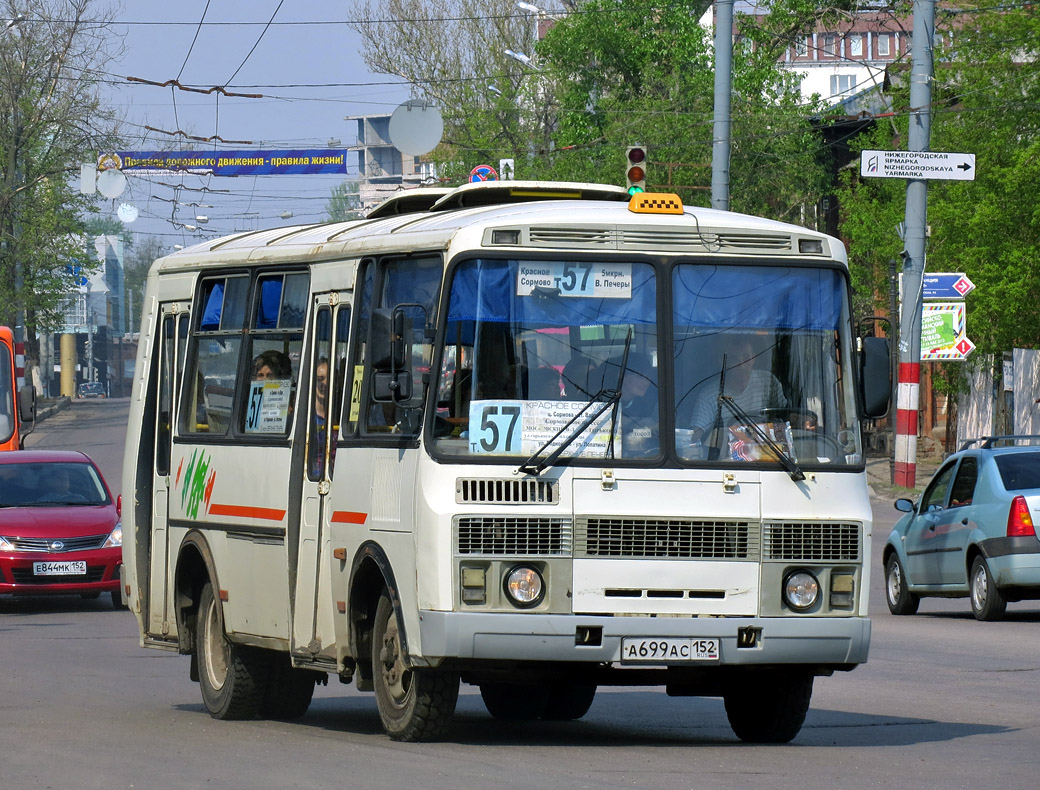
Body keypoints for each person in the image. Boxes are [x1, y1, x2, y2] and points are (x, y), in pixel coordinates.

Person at [688, 336, 787, 441]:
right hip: (727, 455)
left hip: (770, 452)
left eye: (746, 358)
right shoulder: (709, 395)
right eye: (734, 359)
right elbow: (695, 435)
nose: (742, 365)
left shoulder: (768, 381)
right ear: (723, 363)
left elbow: (785, 417)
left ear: (753, 358)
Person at [309, 357, 329, 478]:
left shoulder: (341, 415)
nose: (324, 384)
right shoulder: (307, 418)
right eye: (320, 379)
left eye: (329, 379)